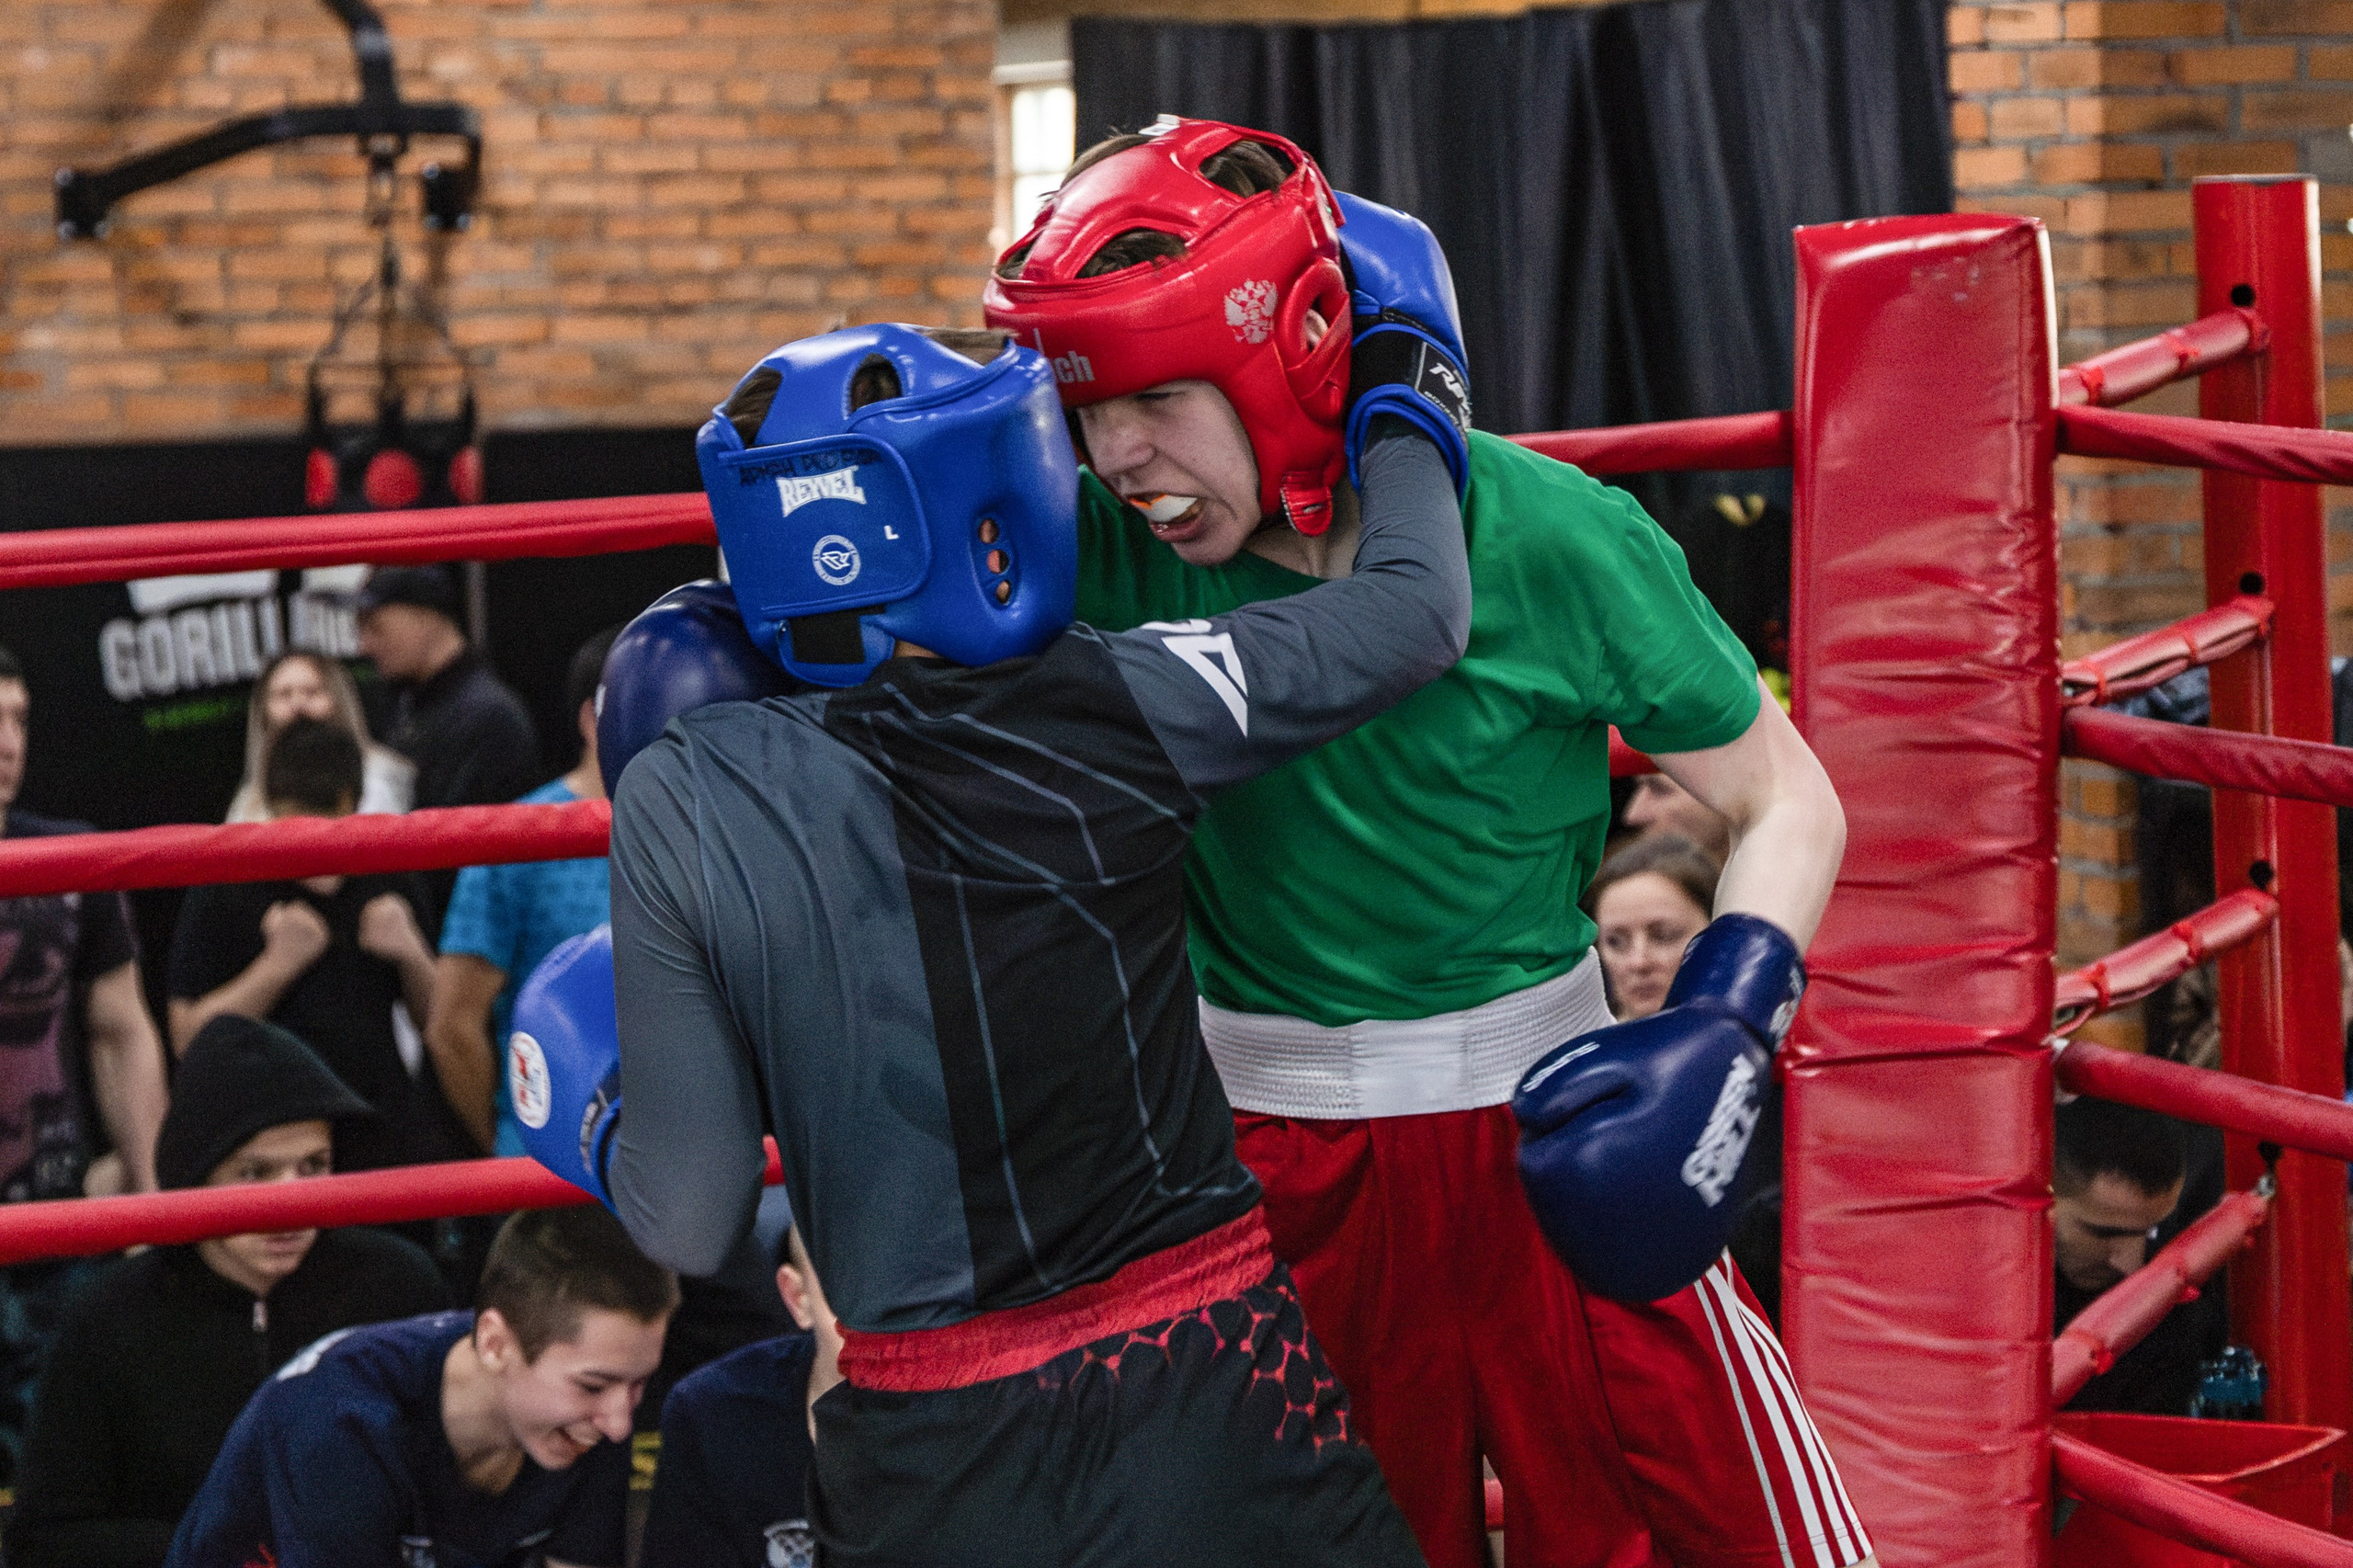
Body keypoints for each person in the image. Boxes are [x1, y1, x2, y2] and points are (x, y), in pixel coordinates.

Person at [985, 118, 1868, 1568]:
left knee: (1737, 1536)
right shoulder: (1086, 550)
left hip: (1561, 1124)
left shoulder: (1545, 534)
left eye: (1153, 397)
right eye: (1087, 409)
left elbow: (1791, 796)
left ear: (1291, 353)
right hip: (1267, 1159)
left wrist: (1724, 1019)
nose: (1118, 451)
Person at [517, 318, 1470, 1564]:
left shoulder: (684, 790)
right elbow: (1416, 611)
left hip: (937, 1449)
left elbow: (690, 1220)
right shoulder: (1121, 695)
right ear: (995, 499)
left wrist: (601, 1123)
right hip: (1215, 1380)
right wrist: (1406, 380)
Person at [8, 1016, 446, 1568]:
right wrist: (228, 1551)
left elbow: (453, 1482)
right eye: (254, 1172)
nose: (290, 1202)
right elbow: (47, 1537)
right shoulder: (107, 1319)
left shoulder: (398, 1285)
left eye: (314, 1166)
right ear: (196, 1176)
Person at [165, 1205, 676, 1568]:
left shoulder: (595, 1414)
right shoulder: (338, 1423)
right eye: (593, 1386)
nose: (619, 1422)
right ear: (495, 1345)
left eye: (639, 1385)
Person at [0, 642, 171, 1482]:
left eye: (18, 719)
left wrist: (150, 1193)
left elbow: (122, 1028)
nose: (6, 741)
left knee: (59, 1473)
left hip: (58, 1220)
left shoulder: (71, 858)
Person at [168, 718, 460, 1174]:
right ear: (266, 807)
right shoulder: (227, 882)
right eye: (293, 827)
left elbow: (439, 1022)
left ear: (357, 806)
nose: (310, 848)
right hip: (268, 1144)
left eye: (327, 829)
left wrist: (410, 954)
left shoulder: (387, 871)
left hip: (382, 1134)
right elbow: (188, 1039)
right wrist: (275, 967)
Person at [428, 627, 620, 1155]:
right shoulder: (520, 840)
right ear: (593, 717)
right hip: (552, 1158)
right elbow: (452, 1024)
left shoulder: (703, 833)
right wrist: (510, 1148)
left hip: (686, 1155)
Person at [637, 1221, 837, 1568]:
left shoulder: (963, 1411)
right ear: (797, 1297)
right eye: (849, 1291)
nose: (883, 1318)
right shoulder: (714, 1413)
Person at [353, 564, 540, 908]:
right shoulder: (406, 702)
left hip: (462, 923)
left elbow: (464, 858)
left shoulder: (488, 716)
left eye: (376, 626)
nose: (364, 645)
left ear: (424, 618)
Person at [2053, 1096, 2219, 1415]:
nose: (2130, 1264)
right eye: (2105, 1234)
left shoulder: (2169, 1314)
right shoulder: (1968, 1290)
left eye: (2150, 1231)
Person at [224, 650, 415, 824]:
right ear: (264, 711)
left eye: (312, 692)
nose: (298, 704)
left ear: (339, 701)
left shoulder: (379, 778)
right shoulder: (249, 799)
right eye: (284, 694)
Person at [1586, 834, 1720, 1021]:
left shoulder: (1767, 1043)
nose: (1638, 962)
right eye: (1615, 942)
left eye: (1665, 936)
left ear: (1719, 937)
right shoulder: (1579, 1047)